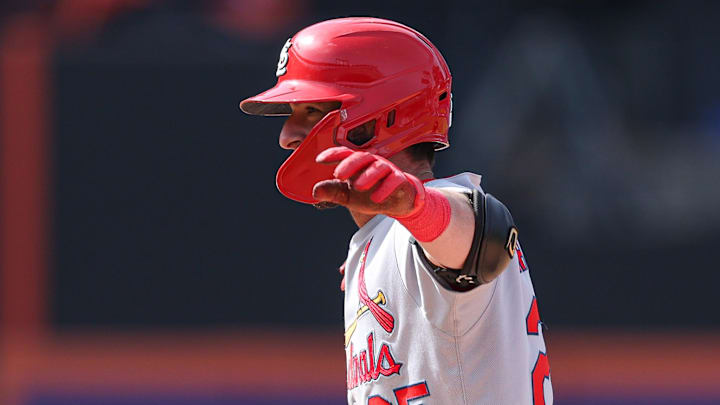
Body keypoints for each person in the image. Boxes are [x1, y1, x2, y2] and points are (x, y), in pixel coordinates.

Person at [240, 17, 552, 405]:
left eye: (310, 111)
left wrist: (417, 205)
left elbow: (483, 237)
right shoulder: (381, 238)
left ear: (375, 119)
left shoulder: (433, 215)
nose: (287, 135)